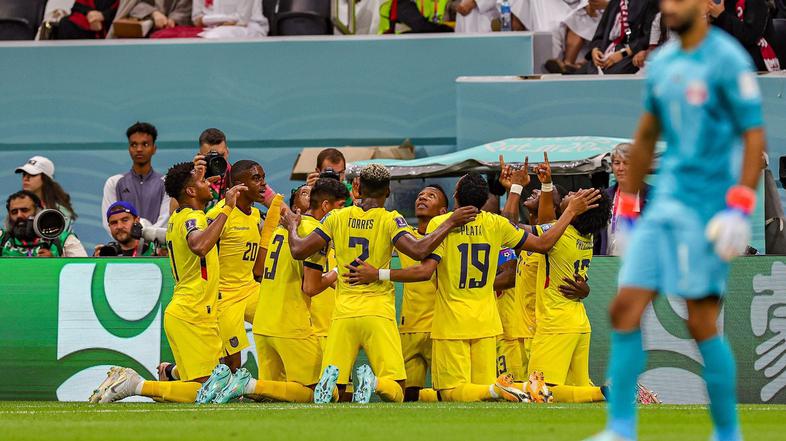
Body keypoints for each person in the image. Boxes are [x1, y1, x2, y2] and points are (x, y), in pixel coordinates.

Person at [587, 0, 766, 437]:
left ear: (704, 5)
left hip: (707, 209)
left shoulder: (728, 60)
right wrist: (628, 210)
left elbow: (753, 137)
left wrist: (741, 208)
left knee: (701, 321)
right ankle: (622, 428)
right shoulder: (663, 62)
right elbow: (647, 135)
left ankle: (727, 432)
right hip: (664, 204)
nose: (667, 6)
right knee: (624, 309)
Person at [346, 172, 602, 402]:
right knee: (480, 392)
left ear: (455, 196)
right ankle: (503, 388)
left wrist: (378, 273)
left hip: (452, 323)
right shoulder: (496, 224)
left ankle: (502, 389)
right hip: (487, 323)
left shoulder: (440, 224)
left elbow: (425, 270)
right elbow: (542, 243)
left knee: (451, 392)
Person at [280, 164, 479, 404]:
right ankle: (374, 383)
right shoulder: (390, 220)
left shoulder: (336, 216)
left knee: (336, 390)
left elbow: (299, 250)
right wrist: (450, 223)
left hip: (344, 314)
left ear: (357, 188)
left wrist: (292, 225)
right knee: (397, 388)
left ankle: (331, 386)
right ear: (388, 192)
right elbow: (419, 250)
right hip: (377, 312)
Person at [90, 161, 246, 403]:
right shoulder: (191, 218)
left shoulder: (180, 216)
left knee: (214, 381)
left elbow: (186, 207)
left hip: (191, 310)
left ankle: (169, 372)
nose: (209, 185)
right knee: (211, 391)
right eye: (202, 182)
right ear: (191, 191)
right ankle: (136, 385)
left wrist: (201, 184)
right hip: (193, 312)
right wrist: (227, 209)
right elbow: (200, 245)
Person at [198, 178, 350, 404]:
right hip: (291, 324)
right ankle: (246, 385)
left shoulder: (284, 229)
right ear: (326, 206)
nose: (343, 213)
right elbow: (310, 287)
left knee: (272, 394)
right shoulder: (314, 233)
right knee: (321, 392)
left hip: (263, 324)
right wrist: (338, 271)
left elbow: (261, 269)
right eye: (340, 207)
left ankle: (245, 386)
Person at [203, 160, 269, 374]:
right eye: (256, 178)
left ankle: (278, 379)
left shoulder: (256, 215)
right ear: (239, 185)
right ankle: (173, 372)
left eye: (263, 177)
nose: (263, 184)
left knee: (277, 322)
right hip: (224, 296)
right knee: (232, 364)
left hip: (249, 289)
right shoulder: (218, 213)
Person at [397, 184, 449, 402]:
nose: (422, 198)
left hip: (440, 327)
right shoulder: (403, 237)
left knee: (445, 393)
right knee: (407, 395)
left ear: (443, 212)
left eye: (431, 196)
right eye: (420, 195)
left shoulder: (450, 238)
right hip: (410, 325)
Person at [102, 122, 170, 237]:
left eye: (145, 144)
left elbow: (165, 221)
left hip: (155, 251)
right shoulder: (113, 183)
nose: (139, 149)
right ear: (129, 148)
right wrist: (129, 241)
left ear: (154, 149)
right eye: (134, 144)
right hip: (124, 249)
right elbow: (109, 220)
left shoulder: (166, 183)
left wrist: (145, 239)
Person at [594, 143, 651, 256]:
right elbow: (597, 238)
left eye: (626, 163)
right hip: (607, 264)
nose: (621, 168)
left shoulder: (651, 196)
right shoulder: (604, 196)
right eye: (617, 163)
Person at [575, 0, 659, 74]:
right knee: (576, 78)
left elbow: (649, 37)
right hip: (604, 52)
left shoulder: (650, 2)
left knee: (609, 76)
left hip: (630, 53)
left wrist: (623, 53)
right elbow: (599, 34)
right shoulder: (615, 2)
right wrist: (595, 50)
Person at [0, 191, 87, 258]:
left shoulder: (64, 240)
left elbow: (83, 271)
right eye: (14, 212)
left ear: (39, 212)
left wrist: (55, 263)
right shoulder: (2, 239)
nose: (19, 215)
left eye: (25, 210)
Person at [709, 0, 783, 72]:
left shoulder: (755, 2)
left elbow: (750, 36)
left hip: (755, 58)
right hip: (725, 56)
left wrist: (721, 15)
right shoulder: (717, 3)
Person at [16, 156, 77, 232]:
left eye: (32, 174)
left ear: (45, 178)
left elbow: (63, 241)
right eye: (24, 174)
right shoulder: (17, 208)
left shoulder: (60, 211)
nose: (26, 178)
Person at [546, 0, 608, 73]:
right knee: (578, 18)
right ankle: (568, 65)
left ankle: (568, 64)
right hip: (592, 14)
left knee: (582, 20)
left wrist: (606, 5)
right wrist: (588, 4)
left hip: (609, 17)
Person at [94, 201, 163, 257]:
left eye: (125, 220)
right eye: (114, 222)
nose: (119, 226)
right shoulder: (108, 255)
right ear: (109, 226)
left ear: (136, 220)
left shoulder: (157, 249)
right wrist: (97, 262)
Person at [109, 0, 193, 38]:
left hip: (173, 36)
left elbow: (185, 7)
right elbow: (130, 6)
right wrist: (154, 13)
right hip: (138, 38)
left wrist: (173, 20)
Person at [191, 0, 268, 38]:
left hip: (250, 27)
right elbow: (196, 18)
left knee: (215, 36)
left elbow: (243, 20)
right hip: (213, 28)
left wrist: (210, 20)